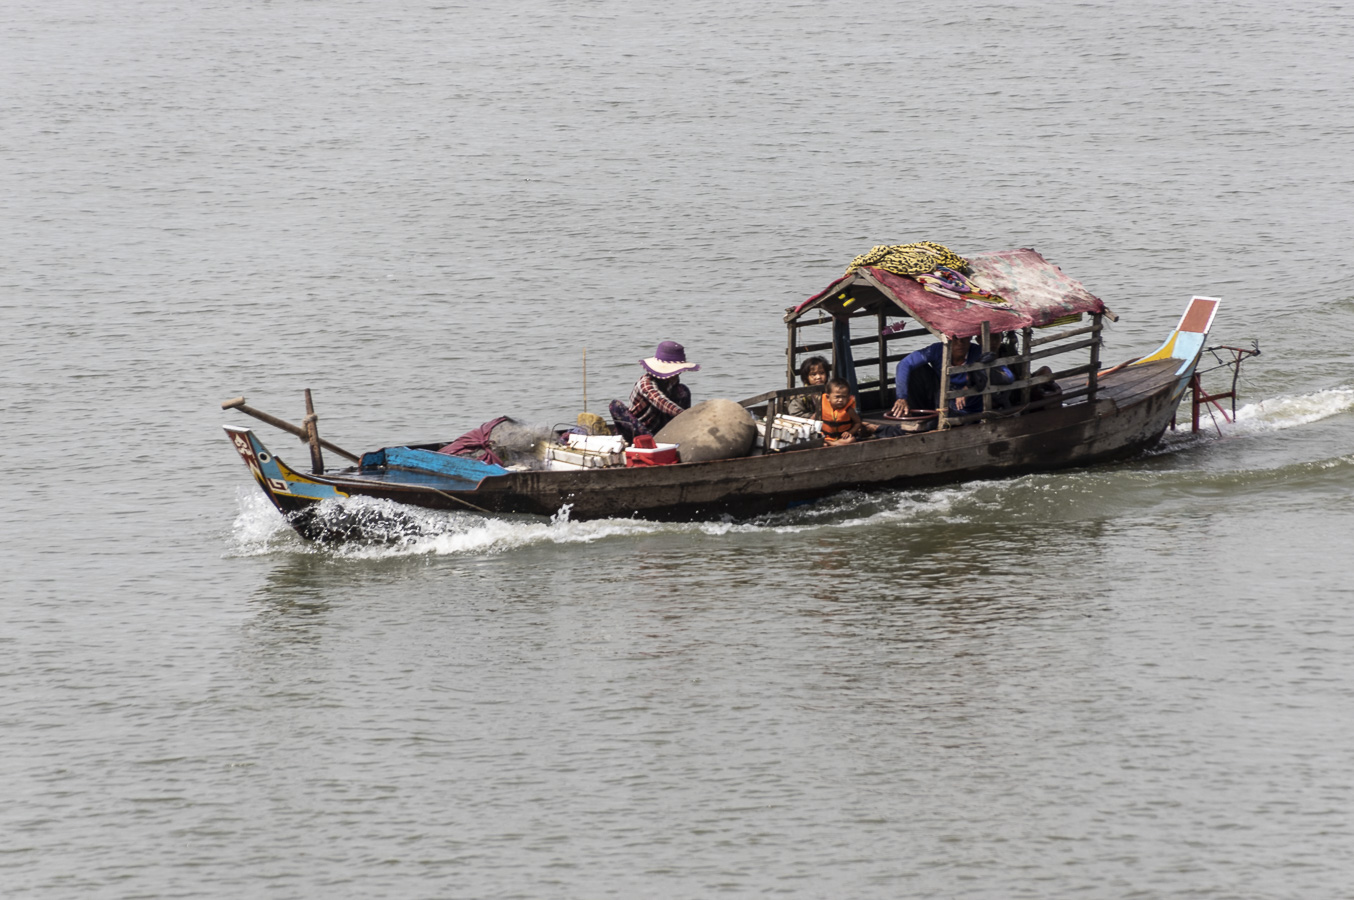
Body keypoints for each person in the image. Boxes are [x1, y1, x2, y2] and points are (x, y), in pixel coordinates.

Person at [889, 336, 1013, 418]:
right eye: (955, 339)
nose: (960, 343)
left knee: (932, 424)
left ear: (970, 338)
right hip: (942, 397)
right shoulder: (937, 350)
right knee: (917, 370)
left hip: (968, 405)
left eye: (964, 338)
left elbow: (1008, 377)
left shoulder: (979, 353)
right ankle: (913, 413)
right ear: (947, 338)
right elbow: (904, 364)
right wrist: (901, 397)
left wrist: (969, 385)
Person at [609, 340, 699, 442]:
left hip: (660, 430)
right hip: (638, 431)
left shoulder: (673, 383)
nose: (678, 375)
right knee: (615, 405)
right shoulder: (646, 384)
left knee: (683, 391)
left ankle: (676, 435)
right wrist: (689, 416)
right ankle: (651, 441)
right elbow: (661, 402)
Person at [786, 355, 830, 419]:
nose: (818, 377)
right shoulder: (801, 396)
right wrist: (812, 416)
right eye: (813, 374)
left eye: (822, 373)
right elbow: (794, 413)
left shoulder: (830, 391)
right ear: (806, 378)